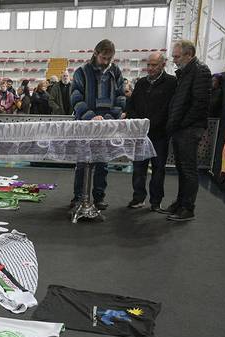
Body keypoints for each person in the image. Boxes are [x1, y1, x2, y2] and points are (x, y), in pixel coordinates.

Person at [70, 39, 126, 210]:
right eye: (104, 58)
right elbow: (75, 97)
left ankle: (99, 197)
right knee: (82, 163)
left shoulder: (116, 72)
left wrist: (110, 117)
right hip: (86, 125)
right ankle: (78, 197)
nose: (107, 62)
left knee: (103, 163)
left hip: (106, 125)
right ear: (95, 53)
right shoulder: (81, 72)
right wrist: (90, 117)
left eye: (110, 58)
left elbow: (121, 96)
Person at [165, 39, 211, 222]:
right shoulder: (186, 72)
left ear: (188, 54)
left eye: (177, 56)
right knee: (182, 169)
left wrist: (182, 123)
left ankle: (187, 207)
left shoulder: (200, 71)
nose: (174, 60)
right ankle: (181, 202)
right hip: (182, 128)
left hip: (189, 129)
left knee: (188, 169)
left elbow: (199, 103)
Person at [125, 52, 177, 211]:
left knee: (158, 169)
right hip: (140, 134)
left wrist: (153, 124)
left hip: (159, 135)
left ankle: (156, 201)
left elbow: (170, 108)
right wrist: (137, 122)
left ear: (163, 64)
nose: (150, 68)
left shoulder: (172, 83)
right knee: (138, 168)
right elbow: (131, 106)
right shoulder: (140, 83)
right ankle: (138, 198)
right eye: (148, 65)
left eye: (154, 65)